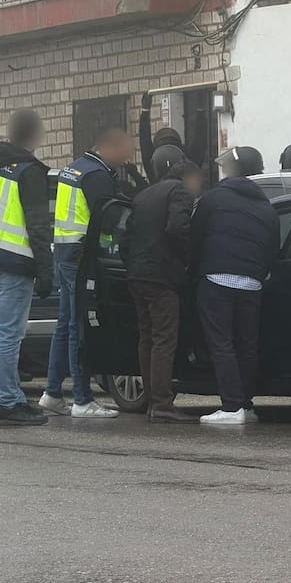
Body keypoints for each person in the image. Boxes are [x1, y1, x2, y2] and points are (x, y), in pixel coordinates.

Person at [39, 127, 133, 418]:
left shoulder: (75, 168)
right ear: (109, 147)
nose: (127, 157)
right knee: (78, 327)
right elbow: (109, 219)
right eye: (124, 151)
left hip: (64, 252)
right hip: (80, 255)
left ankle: (52, 393)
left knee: (65, 324)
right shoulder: (96, 175)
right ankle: (82, 399)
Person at [0, 109, 53, 427]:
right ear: (34, 135)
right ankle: (7, 403)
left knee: (4, 334)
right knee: (9, 335)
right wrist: (46, 270)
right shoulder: (28, 171)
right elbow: (38, 226)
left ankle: (13, 397)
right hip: (13, 262)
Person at [191, 146, 280, 424]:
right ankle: (245, 405)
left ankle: (231, 407)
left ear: (233, 171)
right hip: (252, 284)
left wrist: (194, 272)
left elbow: (195, 237)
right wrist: (258, 274)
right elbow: (272, 249)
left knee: (222, 344)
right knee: (247, 346)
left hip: (217, 279)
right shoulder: (266, 206)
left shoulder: (213, 199)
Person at [122, 161, 203, 423]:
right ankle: (162, 404)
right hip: (161, 276)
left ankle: (152, 401)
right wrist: (186, 260)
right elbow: (177, 228)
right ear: (189, 177)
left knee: (147, 338)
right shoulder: (179, 191)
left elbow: (126, 236)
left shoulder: (144, 195)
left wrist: (132, 265)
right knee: (164, 339)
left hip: (137, 275)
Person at [140, 90, 208, 183]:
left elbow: (144, 142)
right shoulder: (185, 167)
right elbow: (199, 146)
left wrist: (145, 111)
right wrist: (201, 111)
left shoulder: (154, 173)